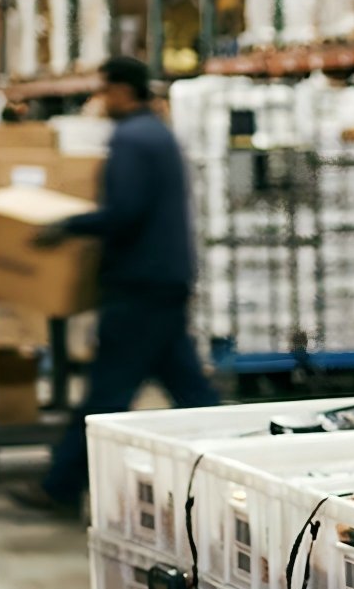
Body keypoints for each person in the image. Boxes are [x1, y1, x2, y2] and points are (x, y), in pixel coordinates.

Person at [12, 56, 217, 514]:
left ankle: (61, 487)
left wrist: (66, 226)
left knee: (107, 392)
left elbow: (124, 212)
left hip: (140, 284)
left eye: (104, 90)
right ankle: (237, 458)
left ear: (124, 91)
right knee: (192, 392)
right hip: (165, 279)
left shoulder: (131, 138)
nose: (100, 100)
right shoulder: (158, 133)